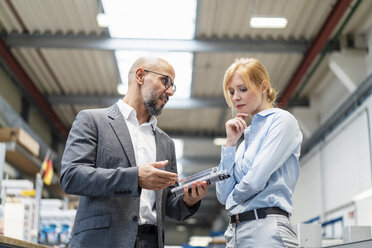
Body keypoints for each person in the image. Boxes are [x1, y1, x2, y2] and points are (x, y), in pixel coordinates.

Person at [60, 56, 209, 248]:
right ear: (140, 76)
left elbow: (168, 206)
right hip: (103, 241)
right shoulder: (92, 121)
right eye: (166, 81)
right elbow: (71, 177)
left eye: (173, 86)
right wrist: (135, 178)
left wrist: (188, 200)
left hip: (151, 242)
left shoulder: (165, 142)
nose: (170, 91)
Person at [216, 58, 302, 247]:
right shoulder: (244, 138)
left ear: (263, 87)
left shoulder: (282, 121)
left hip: (266, 229)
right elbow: (222, 193)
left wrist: (231, 201)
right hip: (235, 233)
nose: (235, 97)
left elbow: (255, 180)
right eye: (231, 92)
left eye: (243, 89)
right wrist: (230, 143)